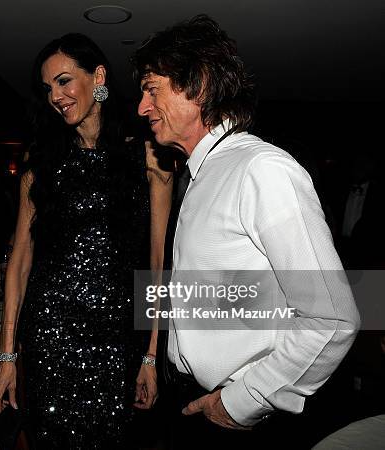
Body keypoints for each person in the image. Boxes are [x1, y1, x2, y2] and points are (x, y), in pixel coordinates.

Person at [132, 15, 360, 447]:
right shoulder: (202, 174)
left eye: (151, 88)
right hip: (192, 399)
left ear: (196, 86)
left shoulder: (260, 169)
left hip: (239, 418)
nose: (141, 107)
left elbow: (332, 318)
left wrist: (244, 401)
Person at [0, 33, 172, 448]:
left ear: (99, 77)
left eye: (65, 81)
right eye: (48, 87)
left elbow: (159, 263)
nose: (56, 95)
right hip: (48, 340)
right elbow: (20, 260)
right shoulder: (41, 165)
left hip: (118, 343)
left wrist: (150, 354)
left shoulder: (150, 157)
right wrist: (7, 355)